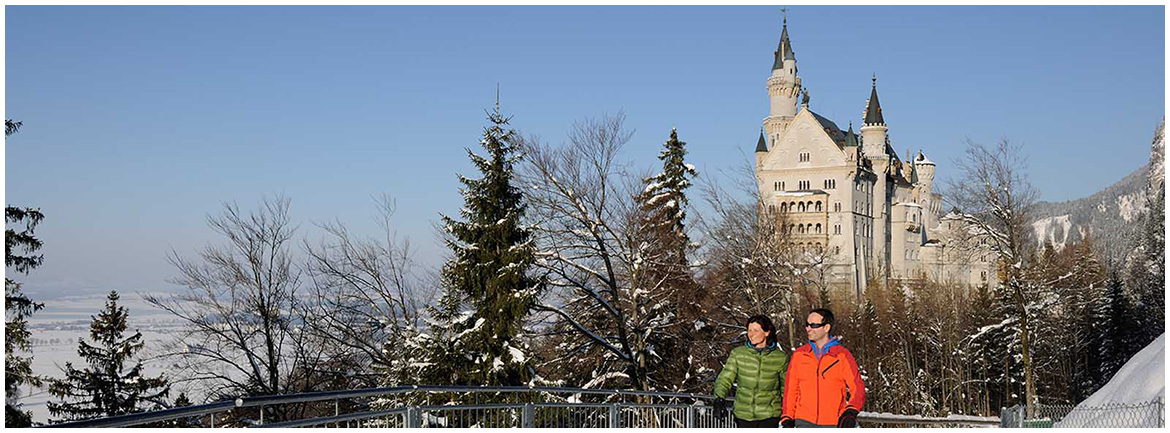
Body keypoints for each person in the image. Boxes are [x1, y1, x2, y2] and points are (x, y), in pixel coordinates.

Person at [781, 308, 865, 428]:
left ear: (826, 328)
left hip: (832, 422)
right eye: (807, 324)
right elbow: (791, 390)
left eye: (813, 325)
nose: (808, 329)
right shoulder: (799, 355)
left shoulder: (842, 355)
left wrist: (850, 412)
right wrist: (787, 416)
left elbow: (857, 387)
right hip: (803, 421)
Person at [713, 315, 789, 428]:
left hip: (770, 415)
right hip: (743, 414)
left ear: (767, 332)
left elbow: (786, 388)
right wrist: (719, 398)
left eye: (756, 330)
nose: (751, 334)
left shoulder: (780, 357)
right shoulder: (738, 354)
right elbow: (725, 378)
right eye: (749, 330)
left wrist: (788, 414)